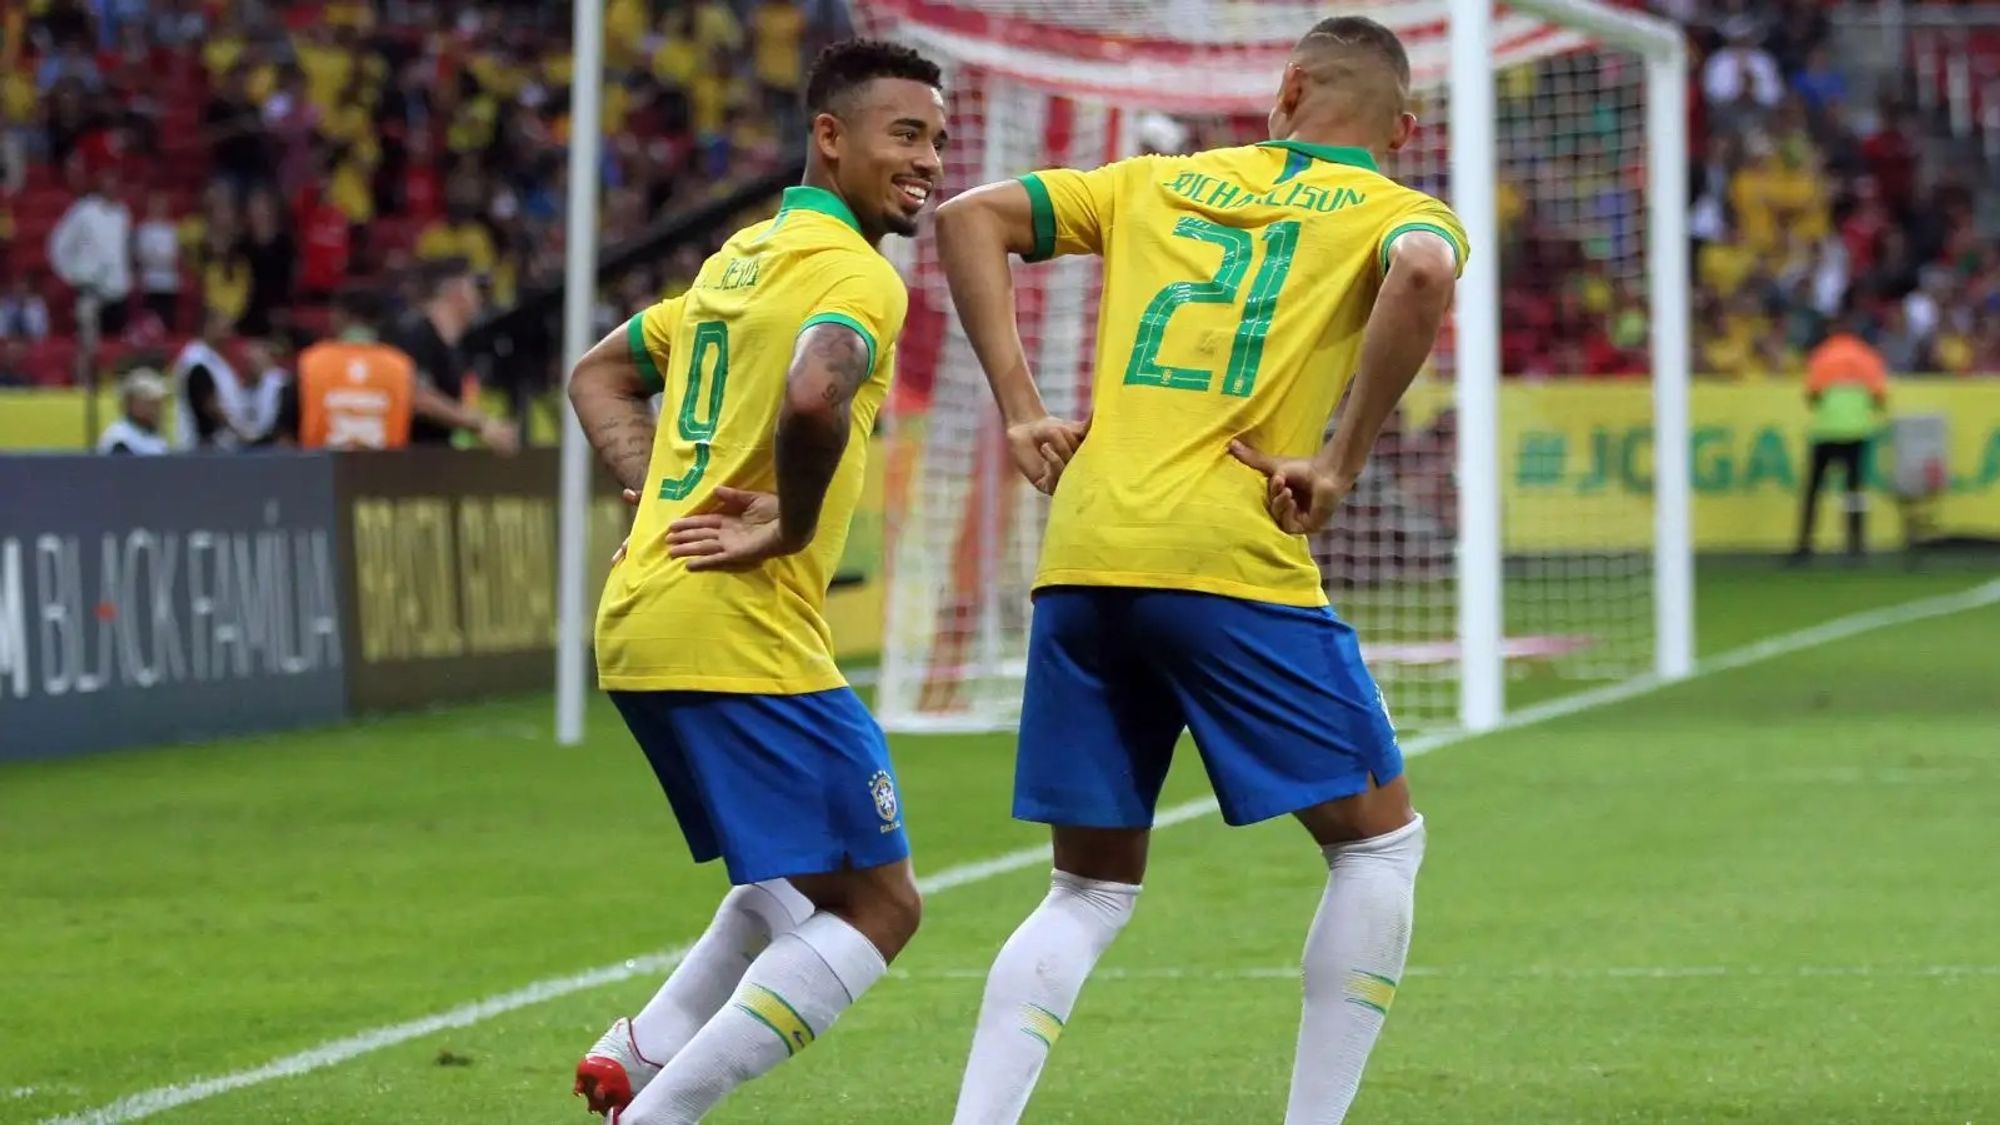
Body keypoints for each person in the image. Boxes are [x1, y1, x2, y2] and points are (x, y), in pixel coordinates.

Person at [932, 16, 1465, 1124]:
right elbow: (1418, 271)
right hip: (1226, 557)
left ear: (1284, 90)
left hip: (1081, 554)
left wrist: (1023, 409)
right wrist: (1339, 461)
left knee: (1084, 887)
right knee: (1378, 849)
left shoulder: (1152, 181)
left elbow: (967, 216)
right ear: (1401, 128)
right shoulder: (1396, 212)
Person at [563, 38, 945, 1125]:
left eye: (935, 140)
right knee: (879, 904)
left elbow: (598, 374)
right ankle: (660, 1112)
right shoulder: (856, 277)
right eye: (903, 135)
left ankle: (639, 1053)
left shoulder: (737, 260)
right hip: (736, 629)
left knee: (797, 873)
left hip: (643, 623)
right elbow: (817, 396)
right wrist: (793, 524)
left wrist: (651, 497)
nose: (924, 160)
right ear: (830, 136)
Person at [388, 256, 518, 453]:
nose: (480, 299)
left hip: (439, 456)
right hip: (410, 458)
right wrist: (482, 424)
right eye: (475, 290)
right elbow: (419, 397)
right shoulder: (415, 334)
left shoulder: (459, 346)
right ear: (456, 292)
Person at [1793, 313, 1889, 562]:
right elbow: (1879, 396)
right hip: (1858, 431)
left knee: (1814, 490)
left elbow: (1812, 394)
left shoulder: (1822, 355)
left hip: (1826, 430)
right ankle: (1855, 544)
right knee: (1854, 491)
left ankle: (1804, 544)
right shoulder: (1867, 356)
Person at [275, 288, 415, 450]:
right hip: (385, 471)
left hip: (320, 471)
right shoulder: (401, 365)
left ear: (339, 315)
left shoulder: (312, 361)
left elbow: (285, 430)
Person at [96, 367, 171, 454]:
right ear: (131, 403)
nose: (157, 409)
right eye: (150, 402)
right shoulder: (120, 439)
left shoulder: (154, 435)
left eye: (158, 402)